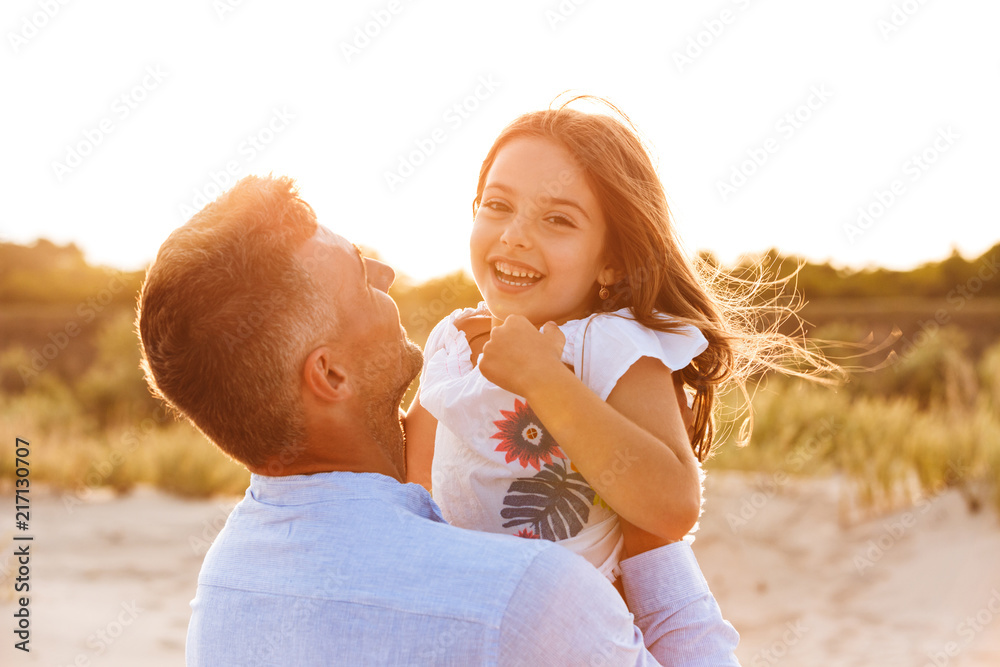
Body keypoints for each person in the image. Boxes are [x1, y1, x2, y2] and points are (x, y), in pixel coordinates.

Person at [137, 174, 740, 665]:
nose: (386, 274)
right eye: (359, 274)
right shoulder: (525, 600)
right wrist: (649, 542)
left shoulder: (223, 591)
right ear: (331, 376)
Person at [405, 98, 831, 583]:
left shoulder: (610, 346)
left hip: (577, 633)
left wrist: (542, 380)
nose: (515, 235)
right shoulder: (452, 344)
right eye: (498, 206)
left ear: (612, 261)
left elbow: (673, 507)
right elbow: (410, 477)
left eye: (558, 219)